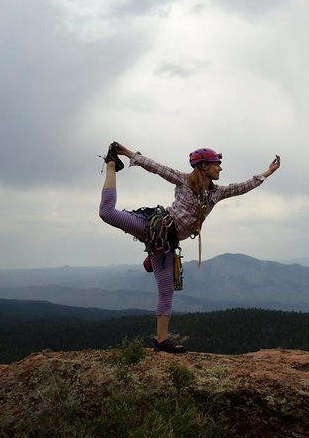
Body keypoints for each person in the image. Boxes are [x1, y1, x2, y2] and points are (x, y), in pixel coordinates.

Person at [99, 142, 281, 353]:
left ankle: (161, 340)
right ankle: (111, 166)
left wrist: (268, 172)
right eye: (216, 164)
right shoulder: (184, 181)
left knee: (166, 290)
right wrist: (126, 152)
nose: (220, 168)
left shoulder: (216, 193)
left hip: (165, 245)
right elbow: (156, 167)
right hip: (153, 228)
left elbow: (242, 187)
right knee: (107, 213)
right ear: (204, 166)